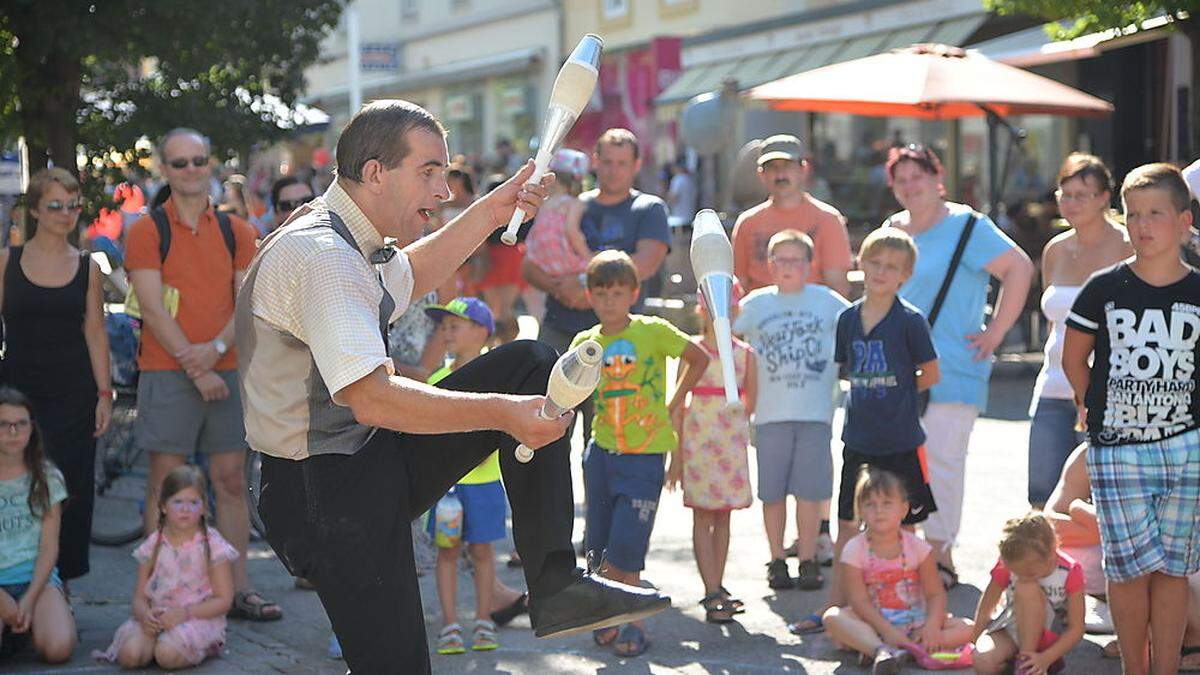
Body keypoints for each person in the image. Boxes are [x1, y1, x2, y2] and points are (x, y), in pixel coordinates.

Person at [236, 99, 669, 673]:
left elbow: (410, 276)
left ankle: (555, 583)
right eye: (429, 172)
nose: (444, 191)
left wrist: (495, 210)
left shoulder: (346, 237)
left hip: (357, 465)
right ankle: (555, 583)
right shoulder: (324, 256)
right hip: (322, 495)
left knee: (532, 363)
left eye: (445, 171)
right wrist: (503, 415)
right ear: (374, 173)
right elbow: (370, 397)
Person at [126, 127, 280, 623]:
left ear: (210, 163)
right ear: (163, 170)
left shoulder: (237, 230)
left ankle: (235, 590)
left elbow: (246, 303)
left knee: (232, 481)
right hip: (168, 371)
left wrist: (211, 354)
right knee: (165, 484)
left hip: (225, 367)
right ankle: (157, 591)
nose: (191, 171)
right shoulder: (148, 230)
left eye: (199, 161)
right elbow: (150, 307)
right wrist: (198, 366)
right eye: (180, 163)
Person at [1062, 162, 1200, 675]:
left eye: (1156, 214)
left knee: (1172, 570)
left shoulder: (1197, 291)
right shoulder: (1103, 288)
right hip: (1117, 447)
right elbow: (1073, 358)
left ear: (1184, 221)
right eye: (1134, 214)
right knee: (1126, 570)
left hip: (1186, 447)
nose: (1142, 225)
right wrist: (1089, 405)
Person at [883, 143, 1034, 584]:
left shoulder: (967, 226)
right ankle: (907, 557)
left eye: (918, 177)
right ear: (893, 187)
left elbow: (1020, 268)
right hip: (897, 369)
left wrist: (997, 332)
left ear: (937, 178)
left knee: (943, 465)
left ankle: (940, 555)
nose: (911, 187)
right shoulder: (894, 229)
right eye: (902, 179)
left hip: (953, 364)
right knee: (900, 465)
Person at [572, 250, 709, 657]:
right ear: (590, 297)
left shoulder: (653, 331)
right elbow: (569, 391)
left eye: (617, 292)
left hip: (645, 456)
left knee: (628, 545)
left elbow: (698, 358)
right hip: (600, 454)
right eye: (601, 293)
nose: (609, 301)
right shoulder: (586, 342)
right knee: (597, 544)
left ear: (633, 293)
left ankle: (633, 623)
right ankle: (606, 614)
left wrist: (673, 402)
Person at [818, 228, 942, 635]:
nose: (881, 272)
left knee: (905, 526)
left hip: (902, 439)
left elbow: (931, 373)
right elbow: (846, 371)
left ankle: (912, 610)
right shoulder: (847, 319)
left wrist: (901, 390)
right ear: (860, 263)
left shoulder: (910, 321)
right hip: (858, 439)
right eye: (874, 262)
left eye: (891, 267)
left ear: (905, 275)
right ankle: (836, 606)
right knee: (849, 524)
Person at [0, 168, 112, 585]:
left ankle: (60, 579)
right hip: (17, 394)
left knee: (70, 488)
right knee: (17, 484)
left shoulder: (88, 267)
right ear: (34, 210)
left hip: (74, 394)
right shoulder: (7, 262)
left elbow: (95, 332)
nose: (66, 214)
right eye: (55, 206)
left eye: (73, 205)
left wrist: (105, 394)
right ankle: (17, 576)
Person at [734, 230, 848, 593]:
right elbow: (726, 342)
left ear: (809, 265)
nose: (787, 267)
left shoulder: (828, 302)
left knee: (811, 492)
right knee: (773, 493)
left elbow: (856, 334)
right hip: (768, 413)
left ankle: (809, 557)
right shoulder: (755, 305)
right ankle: (777, 557)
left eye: (795, 259)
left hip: (815, 412)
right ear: (768, 265)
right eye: (779, 259)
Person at [1027, 154, 1131, 508]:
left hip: (1108, 391)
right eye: (1065, 194)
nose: (1070, 203)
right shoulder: (1054, 250)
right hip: (1053, 384)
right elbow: (1054, 320)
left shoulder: (1129, 246)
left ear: (1105, 197)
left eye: (1081, 194)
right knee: (1041, 496)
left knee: (1098, 499)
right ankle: (1048, 565)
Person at [522, 128, 670, 356]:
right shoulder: (568, 203)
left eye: (622, 163)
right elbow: (531, 265)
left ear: (636, 165)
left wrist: (584, 284)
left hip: (619, 334)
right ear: (595, 161)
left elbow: (645, 264)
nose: (614, 171)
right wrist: (562, 289)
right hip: (559, 325)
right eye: (608, 162)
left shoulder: (649, 209)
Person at [822, 467, 974, 675]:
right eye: (870, 504)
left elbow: (935, 593)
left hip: (915, 623)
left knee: (969, 628)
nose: (879, 511)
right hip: (872, 624)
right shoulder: (854, 549)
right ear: (860, 510)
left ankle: (900, 649)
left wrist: (931, 626)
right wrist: (887, 632)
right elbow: (859, 601)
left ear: (903, 509)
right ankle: (881, 650)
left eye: (887, 503)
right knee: (832, 617)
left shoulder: (918, 547)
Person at [423, 297, 507, 655]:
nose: (446, 332)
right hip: (447, 489)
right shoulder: (437, 379)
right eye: (443, 327)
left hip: (486, 485)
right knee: (447, 553)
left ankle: (484, 621)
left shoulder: (499, 378)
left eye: (454, 325)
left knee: (483, 552)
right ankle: (450, 624)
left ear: (481, 332)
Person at [665, 294, 756, 624]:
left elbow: (750, 404)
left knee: (724, 517)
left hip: (729, 447)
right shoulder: (690, 351)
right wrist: (675, 458)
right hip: (697, 444)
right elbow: (676, 405)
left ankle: (718, 583)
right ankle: (711, 587)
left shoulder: (746, 356)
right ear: (701, 311)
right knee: (702, 516)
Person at [96, 465, 237, 669]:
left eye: (193, 502)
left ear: (204, 506)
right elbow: (139, 598)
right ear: (163, 505)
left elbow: (224, 600)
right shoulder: (154, 545)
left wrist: (185, 613)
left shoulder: (212, 546)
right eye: (177, 501)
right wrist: (145, 615)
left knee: (166, 656)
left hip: (196, 617)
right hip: (159, 617)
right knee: (129, 655)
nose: (185, 509)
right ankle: (158, 641)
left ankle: (203, 646)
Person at [0, 387, 75, 664]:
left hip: (36, 579)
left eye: (21, 424)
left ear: (32, 429)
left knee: (59, 649)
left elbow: (48, 546)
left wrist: (29, 598)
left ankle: (30, 621)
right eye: (4, 424)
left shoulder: (47, 476)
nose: (13, 432)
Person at [731, 133, 853, 297]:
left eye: (787, 166)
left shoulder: (828, 219)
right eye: (773, 167)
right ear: (761, 174)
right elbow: (738, 286)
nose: (780, 174)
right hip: (760, 318)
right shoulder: (747, 223)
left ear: (804, 170)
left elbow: (838, 289)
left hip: (812, 317)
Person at [970, 512, 1086, 675]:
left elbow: (1076, 628)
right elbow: (987, 607)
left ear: (1052, 552)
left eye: (1029, 573)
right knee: (982, 660)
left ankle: (1026, 663)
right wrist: (975, 640)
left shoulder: (1070, 571)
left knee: (1026, 588)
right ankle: (1019, 663)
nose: (1021, 577)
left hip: (1048, 635)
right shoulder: (1008, 562)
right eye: (1015, 572)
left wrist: (1047, 657)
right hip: (1012, 626)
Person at [524, 148, 593, 278]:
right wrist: (589, 257)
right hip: (564, 260)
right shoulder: (573, 203)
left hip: (541, 260)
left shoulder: (545, 202)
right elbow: (572, 231)